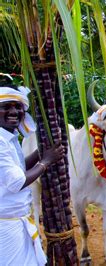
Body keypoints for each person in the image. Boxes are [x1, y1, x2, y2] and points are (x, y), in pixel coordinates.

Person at [0, 85, 65, 265]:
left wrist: (40, 153)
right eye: (6, 106)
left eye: (18, 106)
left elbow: (18, 168)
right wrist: (46, 162)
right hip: (6, 227)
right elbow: (17, 181)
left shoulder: (9, 137)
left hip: (17, 221)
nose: (14, 111)